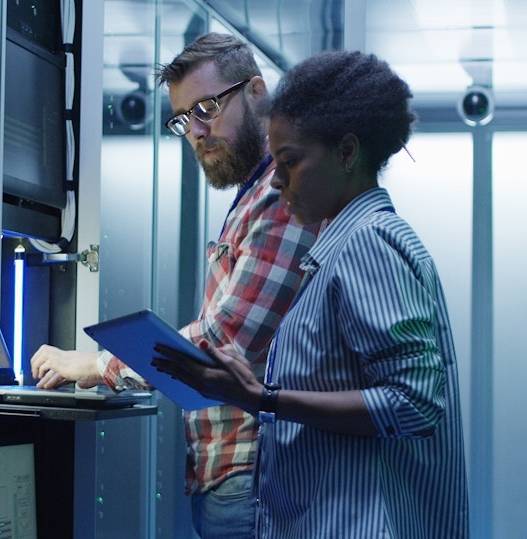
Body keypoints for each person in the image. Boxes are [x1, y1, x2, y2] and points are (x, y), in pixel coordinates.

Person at [152, 50, 470, 538]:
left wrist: (265, 398)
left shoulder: (367, 241)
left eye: (290, 162)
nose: (276, 181)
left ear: (346, 153)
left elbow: (414, 402)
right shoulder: (341, 246)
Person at [30, 33, 320, 539]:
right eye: (183, 118)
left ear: (256, 92)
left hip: (254, 473)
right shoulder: (256, 196)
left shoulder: (280, 195)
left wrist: (97, 367)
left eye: (208, 107)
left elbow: (223, 342)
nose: (197, 131)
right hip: (237, 474)